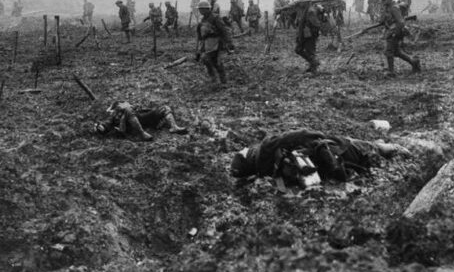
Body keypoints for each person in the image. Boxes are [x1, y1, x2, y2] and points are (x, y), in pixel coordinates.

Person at [229, 129, 409, 187]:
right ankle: (394, 148)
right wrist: (316, 134)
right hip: (333, 151)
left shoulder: (265, 170)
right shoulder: (267, 146)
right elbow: (297, 134)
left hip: (325, 161)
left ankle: (390, 148)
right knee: (366, 148)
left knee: (364, 152)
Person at [94, 101, 188, 142]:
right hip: (130, 126)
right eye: (119, 104)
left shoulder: (130, 107)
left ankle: (174, 127)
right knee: (128, 110)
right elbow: (105, 127)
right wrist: (100, 127)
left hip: (142, 117)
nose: (122, 104)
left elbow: (143, 110)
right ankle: (142, 134)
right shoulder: (114, 116)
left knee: (165, 108)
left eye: (122, 103)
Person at [379, 0, 420, 76]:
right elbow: (382, 20)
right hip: (391, 31)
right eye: (382, 1)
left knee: (389, 51)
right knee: (397, 52)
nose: (383, 2)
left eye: (384, 0)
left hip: (395, 32)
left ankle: (391, 71)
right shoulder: (388, 8)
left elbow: (401, 22)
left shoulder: (394, 8)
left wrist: (395, 33)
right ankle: (414, 62)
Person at [196, 0, 233, 86]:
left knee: (212, 60)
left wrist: (229, 42)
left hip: (216, 42)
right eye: (200, 9)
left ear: (207, 9)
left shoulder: (215, 18)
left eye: (202, 9)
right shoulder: (203, 19)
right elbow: (201, 34)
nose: (200, 11)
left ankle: (221, 79)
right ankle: (214, 78)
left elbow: (223, 30)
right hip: (207, 43)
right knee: (209, 60)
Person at [294, 0, 322, 74]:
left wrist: (311, 32)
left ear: (305, 2)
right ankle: (313, 63)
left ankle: (314, 68)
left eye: (301, 2)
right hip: (302, 34)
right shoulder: (302, 9)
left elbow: (316, 24)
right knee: (298, 49)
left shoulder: (310, 11)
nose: (299, 3)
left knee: (310, 51)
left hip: (309, 35)